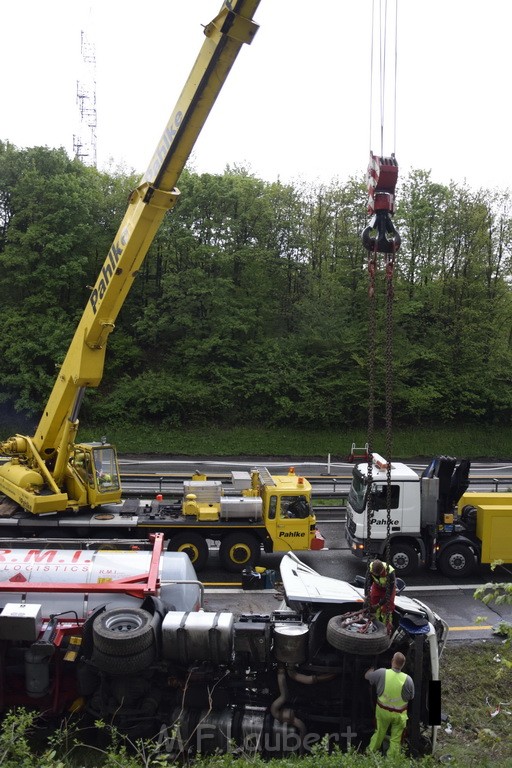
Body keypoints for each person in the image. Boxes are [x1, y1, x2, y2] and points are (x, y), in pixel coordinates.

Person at [365, 651, 415, 757]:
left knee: (379, 733)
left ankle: (370, 754)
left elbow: (367, 677)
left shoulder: (382, 673)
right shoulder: (408, 680)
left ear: (392, 661)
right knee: (396, 739)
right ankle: (391, 761)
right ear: (403, 665)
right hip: (399, 715)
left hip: (382, 712)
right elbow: (411, 697)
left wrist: (371, 669)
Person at [365, 559, 396, 627]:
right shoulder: (370, 569)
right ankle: (375, 622)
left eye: (379, 574)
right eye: (375, 574)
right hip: (377, 586)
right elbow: (367, 583)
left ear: (382, 570)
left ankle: (387, 626)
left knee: (387, 607)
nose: (377, 576)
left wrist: (379, 604)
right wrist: (366, 595)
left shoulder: (390, 573)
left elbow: (389, 593)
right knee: (373, 602)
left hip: (388, 589)